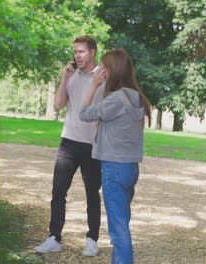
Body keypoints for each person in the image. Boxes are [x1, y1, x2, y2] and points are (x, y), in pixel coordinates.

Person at [79, 48, 152, 264]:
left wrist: (93, 86)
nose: (99, 71)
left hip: (114, 168)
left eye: (103, 67)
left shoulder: (117, 99)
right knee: (122, 223)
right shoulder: (135, 96)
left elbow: (84, 114)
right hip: (130, 168)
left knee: (118, 230)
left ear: (113, 70)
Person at [34, 35, 104, 256]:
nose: (77, 55)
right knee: (58, 190)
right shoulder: (71, 75)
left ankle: (92, 239)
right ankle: (54, 237)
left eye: (81, 51)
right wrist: (64, 78)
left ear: (92, 52)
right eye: (75, 51)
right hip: (68, 142)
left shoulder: (104, 75)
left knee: (92, 193)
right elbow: (57, 105)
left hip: (93, 145)